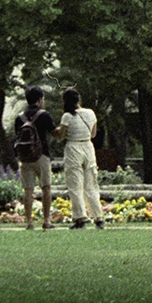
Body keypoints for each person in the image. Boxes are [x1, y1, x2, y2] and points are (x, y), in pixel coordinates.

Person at [54, 87, 104, 229]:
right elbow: (93, 134)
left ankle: (80, 218)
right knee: (91, 184)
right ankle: (98, 217)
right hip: (88, 147)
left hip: (73, 148)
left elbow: (61, 136)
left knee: (75, 185)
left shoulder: (67, 116)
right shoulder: (90, 113)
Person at [13, 86, 56, 230]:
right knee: (46, 187)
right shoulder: (44, 115)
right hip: (41, 155)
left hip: (25, 157)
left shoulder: (20, 117)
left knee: (28, 190)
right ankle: (46, 220)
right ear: (40, 99)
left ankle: (29, 222)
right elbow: (53, 132)